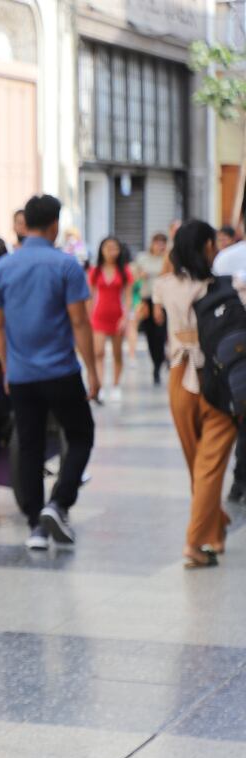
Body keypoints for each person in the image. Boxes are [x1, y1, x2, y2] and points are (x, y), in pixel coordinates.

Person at [0, 194, 98, 550]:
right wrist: (93, 372)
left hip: (21, 375)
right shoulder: (65, 265)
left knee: (30, 445)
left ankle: (36, 525)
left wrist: (6, 368)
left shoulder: (4, 266)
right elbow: (79, 321)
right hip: (61, 371)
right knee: (80, 435)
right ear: (54, 225)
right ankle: (59, 502)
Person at [153, 220, 234, 567]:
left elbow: (159, 321)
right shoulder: (221, 288)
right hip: (216, 378)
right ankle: (195, 542)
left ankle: (214, 531)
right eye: (211, 243)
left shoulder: (163, 286)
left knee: (196, 463)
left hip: (178, 379)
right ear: (205, 247)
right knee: (210, 465)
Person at [88, 237, 132, 402]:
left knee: (117, 353)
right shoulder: (96, 270)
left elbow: (128, 297)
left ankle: (115, 385)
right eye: (108, 248)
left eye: (114, 248)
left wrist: (125, 317)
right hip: (99, 315)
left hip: (117, 316)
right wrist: (89, 316)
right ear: (101, 250)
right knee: (98, 352)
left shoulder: (124, 271)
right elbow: (90, 296)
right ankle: (100, 385)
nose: (111, 251)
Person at [134, 232, 170, 384]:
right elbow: (134, 278)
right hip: (147, 300)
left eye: (163, 243)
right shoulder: (143, 259)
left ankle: (161, 360)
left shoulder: (168, 259)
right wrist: (140, 276)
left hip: (164, 301)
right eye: (157, 242)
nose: (160, 246)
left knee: (161, 333)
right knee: (150, 335)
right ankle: (157, 362)